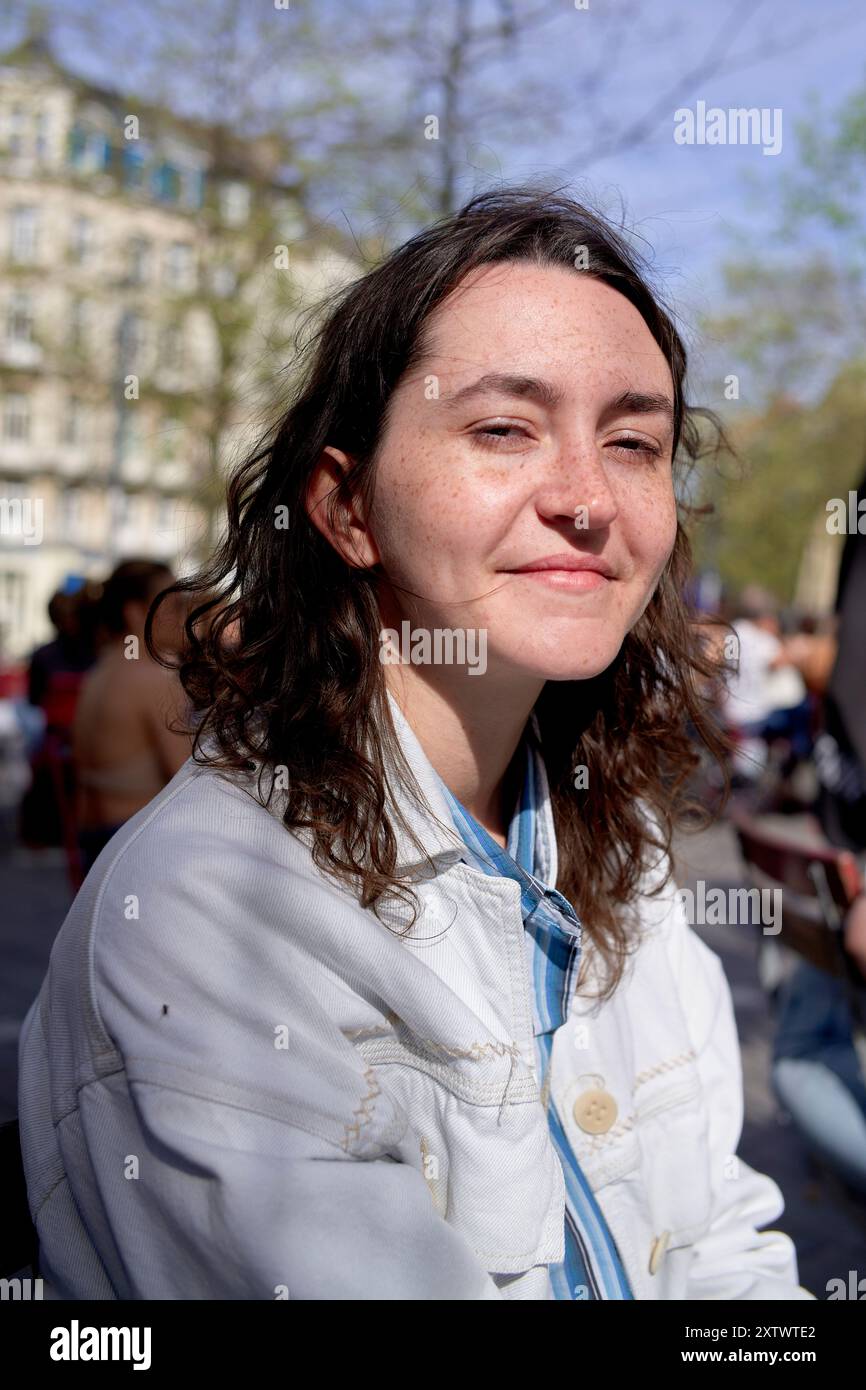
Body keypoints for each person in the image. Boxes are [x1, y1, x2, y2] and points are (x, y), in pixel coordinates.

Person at [17, 186, 815, 1300]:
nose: (588, 498)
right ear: (345, 508)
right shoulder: (218, 911)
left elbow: (722, 1249)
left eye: (632, 440)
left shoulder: (617, 853)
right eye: (501, 428)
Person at [71, 559, 192, 874]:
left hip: (94, 842)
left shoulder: (101, 672)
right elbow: (187, 781)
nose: (184, 616)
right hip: (133, 845)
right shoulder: (152, 680)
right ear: (136, 613)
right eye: (175, 604)